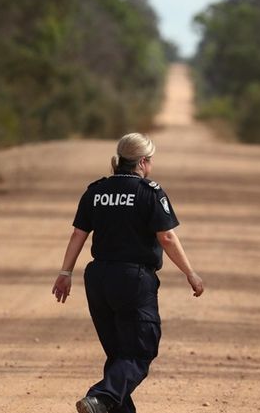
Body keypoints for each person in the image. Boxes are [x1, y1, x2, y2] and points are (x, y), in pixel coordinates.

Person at [52, 132, 205, 413]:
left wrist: (65, 272)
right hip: (133, 280)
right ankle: (99, 396)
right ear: (143, 162)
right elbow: (167, 238)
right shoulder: (150, 192)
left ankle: (104, 403)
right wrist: (190, 273)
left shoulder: (96, 191)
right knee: (139, 351)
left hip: (97, 279)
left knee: (120, 355)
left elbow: (78, 234)